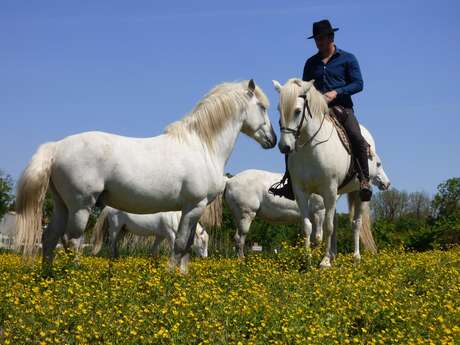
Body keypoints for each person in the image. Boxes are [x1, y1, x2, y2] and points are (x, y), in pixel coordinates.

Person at [270, 19, 372, 202]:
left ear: (331, 37)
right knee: (291, 136)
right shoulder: (310, 63)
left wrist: (337, 92)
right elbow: (304, 88)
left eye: (322, 38)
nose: (319, 42)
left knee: (356, 135)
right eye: (316, 39)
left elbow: (358, 84)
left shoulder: (348, 58)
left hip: (341, 107)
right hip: (315, 110)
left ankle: (364, 179)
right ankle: (290, 182)